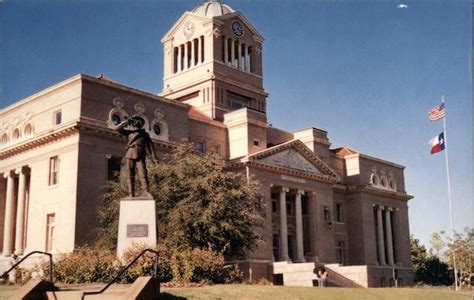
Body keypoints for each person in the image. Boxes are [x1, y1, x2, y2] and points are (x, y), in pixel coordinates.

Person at [115, 116, 158, 197]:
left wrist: (154, 158)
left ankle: (146, 191)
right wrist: (126, 122)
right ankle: (131, 193)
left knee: (143, 173)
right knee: (130, 174)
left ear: (141, 124)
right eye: (135, 121)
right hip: (130, 153)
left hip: (140, 153)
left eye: (138, 121)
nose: (136, 122)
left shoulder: (145, 134)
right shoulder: (129, 133)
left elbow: (150, 147)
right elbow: (117, 129)